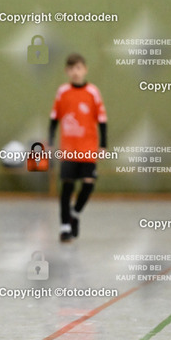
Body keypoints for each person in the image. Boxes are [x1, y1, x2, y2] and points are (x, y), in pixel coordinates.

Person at [48, 53, 107, 242]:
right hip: (68, 148)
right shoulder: (63, 92)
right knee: (67, 186)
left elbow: (102, 119)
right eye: (72, 68)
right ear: (67, 71)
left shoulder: (93, 92)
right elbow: (54, 118)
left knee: (88, 184)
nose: (75, 72)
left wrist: (103, 145)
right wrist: (50, 142)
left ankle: (75, 213)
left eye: (79, 68)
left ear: (85, 70)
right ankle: (65, 227)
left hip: (88, 147)